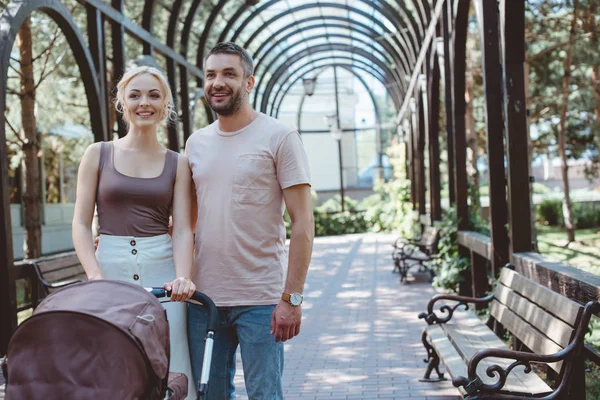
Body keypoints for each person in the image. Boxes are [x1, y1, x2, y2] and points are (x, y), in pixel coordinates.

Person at [186, 42, 315, 399]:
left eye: (229, 73)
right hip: (203, 302)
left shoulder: (280, 137)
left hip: (261, 300)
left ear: (249, 82)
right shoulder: (195, 143)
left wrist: (292, 298)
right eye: (211, 74)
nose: (218, 82)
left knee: (264, 395)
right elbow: (187, 222)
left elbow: (303, 223)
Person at [72, 66, 196, 398]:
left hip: (163, 270)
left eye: (154, 95)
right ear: (122, 102)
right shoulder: (97, 154)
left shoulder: (178, 163)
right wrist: (95, 275)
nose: (145, 102)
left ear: (165, 104)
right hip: (110, 270)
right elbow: (82, 224)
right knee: (112, 364)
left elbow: (183, 229)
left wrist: (183, 277)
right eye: (135, 94)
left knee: (173, 363)